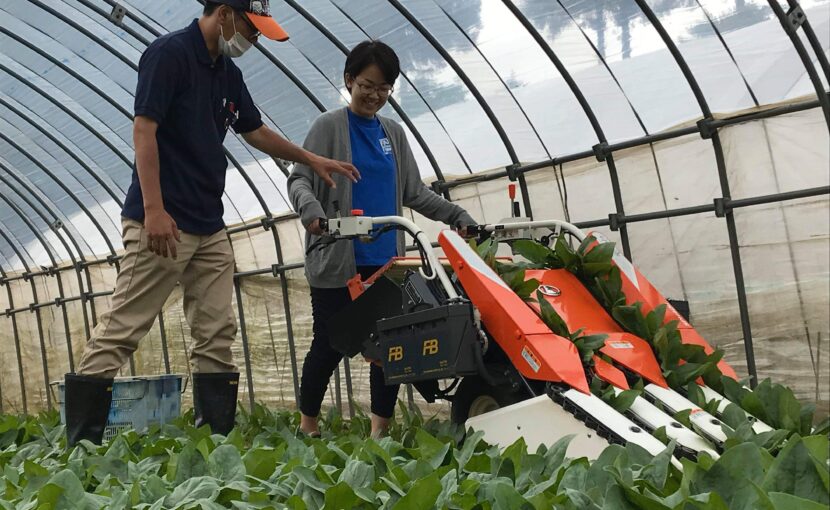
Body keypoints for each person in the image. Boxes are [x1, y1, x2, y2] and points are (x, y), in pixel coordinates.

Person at [64, 0, 359, 447]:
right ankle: (82, 443)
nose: (254, 39)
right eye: (251, 27)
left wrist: (309, 157)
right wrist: (154, 210)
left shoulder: (226, 72)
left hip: (208, 223)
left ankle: (214, 441)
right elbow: (144, 130)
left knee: (217, 331)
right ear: (223, 13)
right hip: (163, 219)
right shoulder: (169, 54)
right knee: (125, 327)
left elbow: (254, 129)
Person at [288, 41, 477, 438]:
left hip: (386, 261)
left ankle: (379, 432)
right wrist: (312, 213)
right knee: (330, 343)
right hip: (338, 259)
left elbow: (414, 192)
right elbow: (300, 178)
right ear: (349, 80)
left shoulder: (393, 132)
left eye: (384, 88)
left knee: (386, 350)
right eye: (367, 85)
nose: (375, 95)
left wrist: (456, 215)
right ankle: (308, 426)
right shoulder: (328, 127)